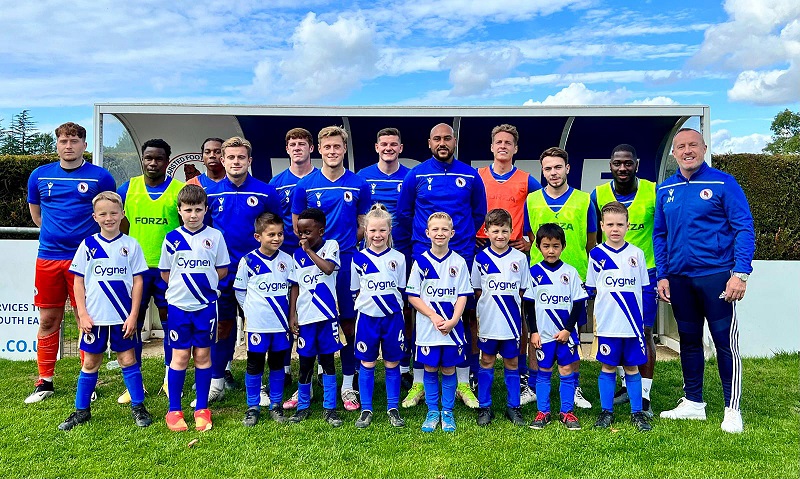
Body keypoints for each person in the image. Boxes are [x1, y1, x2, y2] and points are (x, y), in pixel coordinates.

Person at [655, 128, 754, 434]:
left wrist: (740, 273)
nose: (687, 151)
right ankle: (694, 403)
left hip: (717, 278)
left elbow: (743, 228)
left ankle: (732, 408)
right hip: (680, 279)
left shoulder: (724, 182)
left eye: (692, 145)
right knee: (688, 341)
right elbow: (660, 234)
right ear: (674, 153)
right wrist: (663, 274)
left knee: (725, 344)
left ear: (704, 148)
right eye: (681, 146)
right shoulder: (665, 189)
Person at [396, 123, 486, 410]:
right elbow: (404, 213)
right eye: (437, 138)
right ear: (429, 142)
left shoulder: (470, 174)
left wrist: (459, 241)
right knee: (420, 316)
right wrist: (421, 245)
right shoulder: (417, 174)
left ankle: (462, 381)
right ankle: (420, 382)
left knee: (466, 315)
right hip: (424, 256)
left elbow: (478, 212)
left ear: (455, 141)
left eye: (447, 138)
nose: (442, 142)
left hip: (461, 255)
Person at [25, 122, 116, 404]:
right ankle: (45, 382)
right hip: (49, 257)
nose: (68, 146)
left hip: (87, 261)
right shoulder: (39, 176)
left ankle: (87, 379)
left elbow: (108, 214)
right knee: (49, 319)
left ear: (84, 145)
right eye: (64, 141)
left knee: (85, 320)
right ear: (57, 144)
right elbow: (37, 217)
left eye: (74, 141)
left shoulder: (100, 177)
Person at [291, 126, 371, 412]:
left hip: (347, 261)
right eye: (327, 147)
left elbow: (363, 223)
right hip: (313, 263)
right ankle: (308, 385)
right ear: (319, 150)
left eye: (337, 147)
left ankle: (348, 386)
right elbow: (297, 223)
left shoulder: (359, 183)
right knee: (310, 323)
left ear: (344, 149)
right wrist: (316, 249)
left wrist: (341, 248)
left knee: (346, 325)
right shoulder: (305, 185)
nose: (332, 152)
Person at [58, 192, 152, 430]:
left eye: (113, 213)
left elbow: (138, 281)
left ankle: (138, 407)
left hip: (123, 317)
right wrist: (82, 314)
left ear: (122, 214)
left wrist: (133, 315)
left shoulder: (130, 245)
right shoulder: (88, 245)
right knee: (90, 363)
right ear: (95, 217)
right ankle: (81, 411)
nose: (109, 218)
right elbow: (78, 281)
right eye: (103, 214)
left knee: (128, 359)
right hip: (95, 317)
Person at [203, 136, 282, 404]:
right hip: (223, 273)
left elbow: (275, 229)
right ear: (222, 160)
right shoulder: (210, 193)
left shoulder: (265, 192)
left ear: (250, 161)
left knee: (262, 328)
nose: (236, 162)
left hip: (259, 274)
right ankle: (217, 382)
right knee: (223, 328)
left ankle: (262, 385)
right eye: (231, 157)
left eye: (241, 157)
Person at [524, 146, 597, 410]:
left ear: (567, 168)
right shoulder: (532, 200)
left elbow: (590, 240)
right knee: (537, 334)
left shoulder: (584, 200)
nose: (553, 173)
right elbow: (530, 238)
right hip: (539, 278)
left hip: (573, 277)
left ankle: (574, 387)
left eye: (557, 167)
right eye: (547, 169)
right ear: (542, 172)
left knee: (572, 334)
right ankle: (533, 386)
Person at [476, 124, 542, 406]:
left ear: (516, 149)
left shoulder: (527, 180)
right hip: (481, 249)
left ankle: (523, 375)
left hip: (514, 252)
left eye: (508, 143)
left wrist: (533, 242)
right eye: (498, 142)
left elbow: (544, 210)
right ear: (491, 146)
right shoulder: (477, 176)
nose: (503, 146)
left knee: (519, 312)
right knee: (478, 309)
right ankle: (477, 371)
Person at [590, 144, 657, 416]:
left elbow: (662, 231)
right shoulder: (599, 194)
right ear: (610, 164)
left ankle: (645, 395)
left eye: (628, 163)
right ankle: (622, 385)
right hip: (610, 274)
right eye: (617, 163)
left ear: (636, 164)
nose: (622, 168)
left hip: (644, 271)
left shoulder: (652, 190)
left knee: (644, 332)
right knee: (615, 330)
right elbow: (592, 233)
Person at [117, 138, 184, 402]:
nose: (152, 163)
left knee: (171, 324)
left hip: (169, 269)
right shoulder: (128, 188)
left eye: (158, 158)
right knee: (131, 325)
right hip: (136, 270)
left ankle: (170, 379)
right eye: (148, 158)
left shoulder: (179, 190)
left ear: (167, 162)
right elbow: (119, 224)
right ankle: (134, 383)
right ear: (142, 159)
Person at [159, 185, 230, 431]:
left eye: (198, 210)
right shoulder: (172, 238)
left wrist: (203, 288)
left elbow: (222, 270)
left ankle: (202, 407)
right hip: (179, 307)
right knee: (179, 357)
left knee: (202, 356)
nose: (193, 215)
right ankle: (174, 410)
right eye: (188, 210)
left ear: (205, 210)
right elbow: (166, 273)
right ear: (179, 211)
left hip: (206, 307)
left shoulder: (215, 237)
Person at [586, 202, 652, 432]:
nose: (615, 229)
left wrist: (643, 322)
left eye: (620, 224)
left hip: (632, 325)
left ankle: (637, 413)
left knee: (632, 368)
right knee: (607, 367)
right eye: (610, 224)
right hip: (607, 324)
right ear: (602, 226)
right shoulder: (596, 255)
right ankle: (606, 412)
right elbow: (592, 289)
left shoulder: (637, 254)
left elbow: (643, 288)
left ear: (628, 226)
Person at [406, 212, 472, 433]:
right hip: (428, 328)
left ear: (452, 233)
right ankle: (432, 410)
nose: (440, 233)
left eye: (445, 229)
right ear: (427, 233)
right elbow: (413, 296)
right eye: (435, 229)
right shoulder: (421, 262)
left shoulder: (459, 262)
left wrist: (454, 320)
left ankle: (447, 411)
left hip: (452, 328)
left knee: (449, 367)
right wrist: (433, 316)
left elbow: (463, 295)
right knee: (430, 366)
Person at [357, 128, 412, 388]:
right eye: (384, 144)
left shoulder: (411, 176)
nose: (388, 148)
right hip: (370, 254)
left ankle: (402, 367)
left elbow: (413, 210)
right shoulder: (363, 177)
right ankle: (360, 368)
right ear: (376, 147)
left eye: (394, 144)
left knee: (402, 306)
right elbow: (359, 215)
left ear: (401, 147)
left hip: (401, 251)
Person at [524, 223, 588, 430]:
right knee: (544, 370)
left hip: (566, 334)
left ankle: (567, 412)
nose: (551, 250)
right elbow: (529, 305)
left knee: (566, 369)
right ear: (538, 247)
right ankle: (543, 411)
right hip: (543, 335)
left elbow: (578, 304)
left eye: (555, 246)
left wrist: (568, 329)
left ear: (563, 246)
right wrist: (533, 332)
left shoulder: (570, 273)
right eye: (546, 246)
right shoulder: (533, 273)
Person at [471, 209, 531, 427]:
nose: (500, 235)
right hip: (488, 321)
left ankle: (513, 406)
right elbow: (478, 290)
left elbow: (523, 291)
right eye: (495, 231)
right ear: (486, 231)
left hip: (511, 323)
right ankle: (484, 406)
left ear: (512, 231)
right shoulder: (480, 258)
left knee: (512, 362)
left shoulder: (520, 259)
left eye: (504, 231)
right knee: (486, 361)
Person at [350, 204, 407, 428]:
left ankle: (393, 408)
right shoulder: (358, 258)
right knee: (367, 362)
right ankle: (366, 409)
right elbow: (355, 290)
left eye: (382, 230)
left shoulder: (399, 258)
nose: (377, 235)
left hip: (392, 318)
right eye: (372, 231)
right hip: (367, 319)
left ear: (389, 230)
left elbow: (401, 287)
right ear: (365, 231)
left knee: (392, 362)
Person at [269, 128, 317, 394]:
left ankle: (321, 367)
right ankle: (285, 368)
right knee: (287, 309)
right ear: (286, 149)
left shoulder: (319, 179)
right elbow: (273, 221)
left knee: (317, 309)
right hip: (284, 254)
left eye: (302, 143)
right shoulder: (276, 183)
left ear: (311, 148)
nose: (297, 148)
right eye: (292, 144)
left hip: (314, 255)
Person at [234, 212, 293, 426]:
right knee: (254, 364)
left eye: (280, 234)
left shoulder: (287, 261)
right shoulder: (248, 261)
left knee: (277, 364)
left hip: (280, 325)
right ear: (258, 237)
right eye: (271, 235)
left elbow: (292, 291)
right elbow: (240, 291)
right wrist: (250, 311)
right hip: (258, 325)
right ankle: (252, 406)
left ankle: (276, 405)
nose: (276, 238)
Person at [287, 208, 344, 427]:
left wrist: (309, 250)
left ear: (321, 230)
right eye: (300, 232)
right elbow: (295, 286)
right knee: (305, 363)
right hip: (306, 318)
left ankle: (330, 408)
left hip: (327, 316)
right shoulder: (296, 255)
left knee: (328, 362)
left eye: (307, 232)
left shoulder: (331, 246)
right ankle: (303, 406)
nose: (303, 237)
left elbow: (328, 269)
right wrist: (292, 315)